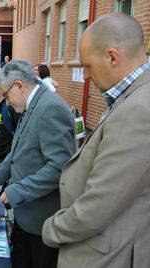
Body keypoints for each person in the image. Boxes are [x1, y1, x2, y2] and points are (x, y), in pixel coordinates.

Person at [42, 13, 150, 268]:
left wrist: (51, 229)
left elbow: (99, 204)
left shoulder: (139, 110)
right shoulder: (132, 97)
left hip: (106, 254)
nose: (86, 76)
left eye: (87, 66)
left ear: (112, 57)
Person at [0, 59, 76, 268]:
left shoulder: (50, 108)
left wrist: (16, 191)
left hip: (41, 221)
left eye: (6, 95)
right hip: (26, 214)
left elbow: (60, 167)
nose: (6, 102)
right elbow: (16, 154)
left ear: (19, 86)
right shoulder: (31, 105)